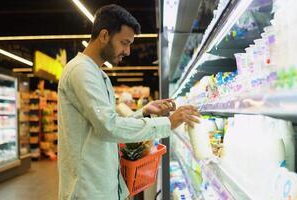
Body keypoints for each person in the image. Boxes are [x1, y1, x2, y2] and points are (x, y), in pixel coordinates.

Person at [58, 4, 200, 200]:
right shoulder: (81, 71)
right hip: (87, 189)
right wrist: (168, 123)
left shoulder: (99, 75)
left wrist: (143, 111)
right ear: (104, 35)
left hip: (102, 183)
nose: (128, 51)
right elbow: (109, 127)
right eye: (124, 42)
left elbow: (106, 122)